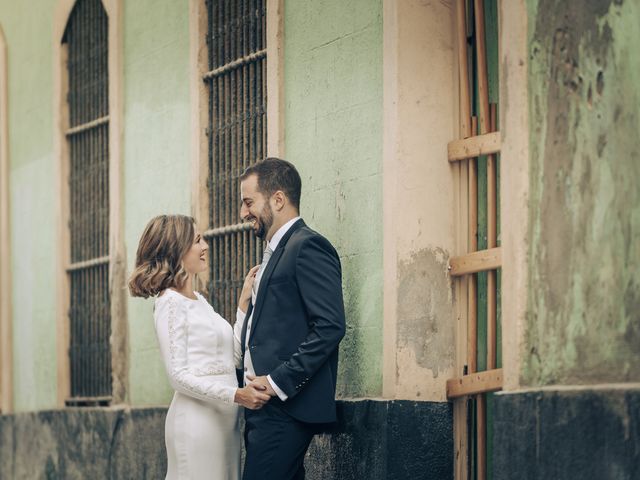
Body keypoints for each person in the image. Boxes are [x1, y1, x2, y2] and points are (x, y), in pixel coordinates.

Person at [128, 214, 270, 480]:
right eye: (197, 240)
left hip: (224, 425)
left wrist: (243, 303)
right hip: (197, 425)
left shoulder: (199, 301)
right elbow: (178, 377)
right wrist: (237, 395)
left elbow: (233, 357)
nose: (205, 246)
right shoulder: (170, 304)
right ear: (176, 250)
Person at [236, 158, 346, 480]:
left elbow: (330, 326)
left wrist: (275, 382)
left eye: (248, 202)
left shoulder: (308, 245)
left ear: (278, 199)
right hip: (265, 410)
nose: (243, 213)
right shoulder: (276, 251)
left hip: (287, 407)